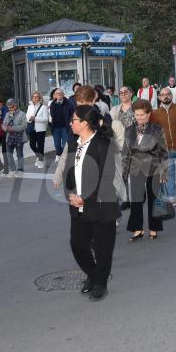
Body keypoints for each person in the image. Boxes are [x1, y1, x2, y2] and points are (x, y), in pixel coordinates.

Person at [64, 105, 124, 301]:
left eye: (73, 120)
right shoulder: (73, 144)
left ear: (84, 123)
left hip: (100, 204)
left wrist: (86, 197)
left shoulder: (103, 144)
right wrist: (70, 195)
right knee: (77, 244)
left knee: (103, 248)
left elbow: (106, 178)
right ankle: (93, 274)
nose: (71, 123)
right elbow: (68, 175)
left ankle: (100, 283)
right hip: (78, 205)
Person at [123, 99, 168, 241]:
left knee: (154, 199)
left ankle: (154, 228)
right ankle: (137, 228)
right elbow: (125, 152)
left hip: (153, 168)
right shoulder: (129, 130)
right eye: (136, 115)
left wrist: (163, 171)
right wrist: (124, 173)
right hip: (135, 169)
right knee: (136, 200)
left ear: (149, 114)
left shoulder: (157, 130)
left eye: (142, 115)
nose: (139, 117)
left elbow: (164, 152)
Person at [151, 86, 176, 203]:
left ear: (171, 96)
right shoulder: (155, 113)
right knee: (169, 172)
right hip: (165, 148)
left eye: (168, 94)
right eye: (163, 94)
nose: (165, 96)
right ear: (159, 97)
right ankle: (172, 197)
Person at [3, 98, 27, 177]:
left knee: (19, 154)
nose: (10, 109)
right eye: (8, 107)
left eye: (11, 107)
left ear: (15, 105)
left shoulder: (22, 114)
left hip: (19, 138)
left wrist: (11, 128)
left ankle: (20, 170)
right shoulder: (7, 114)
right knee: (9, 154)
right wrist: (5, 127)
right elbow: (4, 124)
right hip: (9, 137)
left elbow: (24, 126)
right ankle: (13, 170)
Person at [26, 91, 49, 170]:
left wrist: (35, 118)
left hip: (41, 129)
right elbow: (27, 116)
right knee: (32, 145)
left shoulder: (44, 107)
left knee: (40, 146)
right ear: (32, 98)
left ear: (40, 98)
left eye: (37, 97)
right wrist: (29, 119)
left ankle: (41, 161)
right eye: (34, 97)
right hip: (32, 128)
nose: (35, 98)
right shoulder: (30, 107)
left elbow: (46, 119)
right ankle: (39, 156)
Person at [49, 88, 73, 162]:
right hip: (55, 127)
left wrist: (71, 122)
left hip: (65, 127)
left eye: (60, 93)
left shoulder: (68, 103)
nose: (59, 95)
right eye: (57, 93)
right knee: (57, 144)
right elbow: (51, 115)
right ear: (55, 95)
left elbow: (73, 113)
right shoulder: (52, 104)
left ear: (63, 94)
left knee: (65, 143)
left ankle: (64, 156)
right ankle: (58, 154)